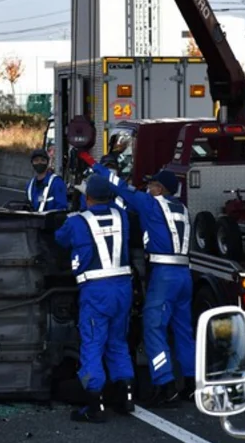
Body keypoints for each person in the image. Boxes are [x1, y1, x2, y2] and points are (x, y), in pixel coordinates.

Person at [80, 152, 195, 407]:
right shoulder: (183, 209)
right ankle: (190, 383)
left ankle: (164, 384)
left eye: (153, 184)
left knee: (154, 329)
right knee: (184, 331)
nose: (148, 187)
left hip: (163, 275)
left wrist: (93, 163)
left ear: (160, 189)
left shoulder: (152, 204)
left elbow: (120, 187)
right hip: (185, 275)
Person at [54, 175, 134, 423]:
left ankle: (94, 404)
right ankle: (126, 396)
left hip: (96, 290)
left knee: (92, 344)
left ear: (86, 197)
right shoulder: (122, 216)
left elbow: (60, 238)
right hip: (123, 287)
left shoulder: (78, 221)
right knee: (118, 342)